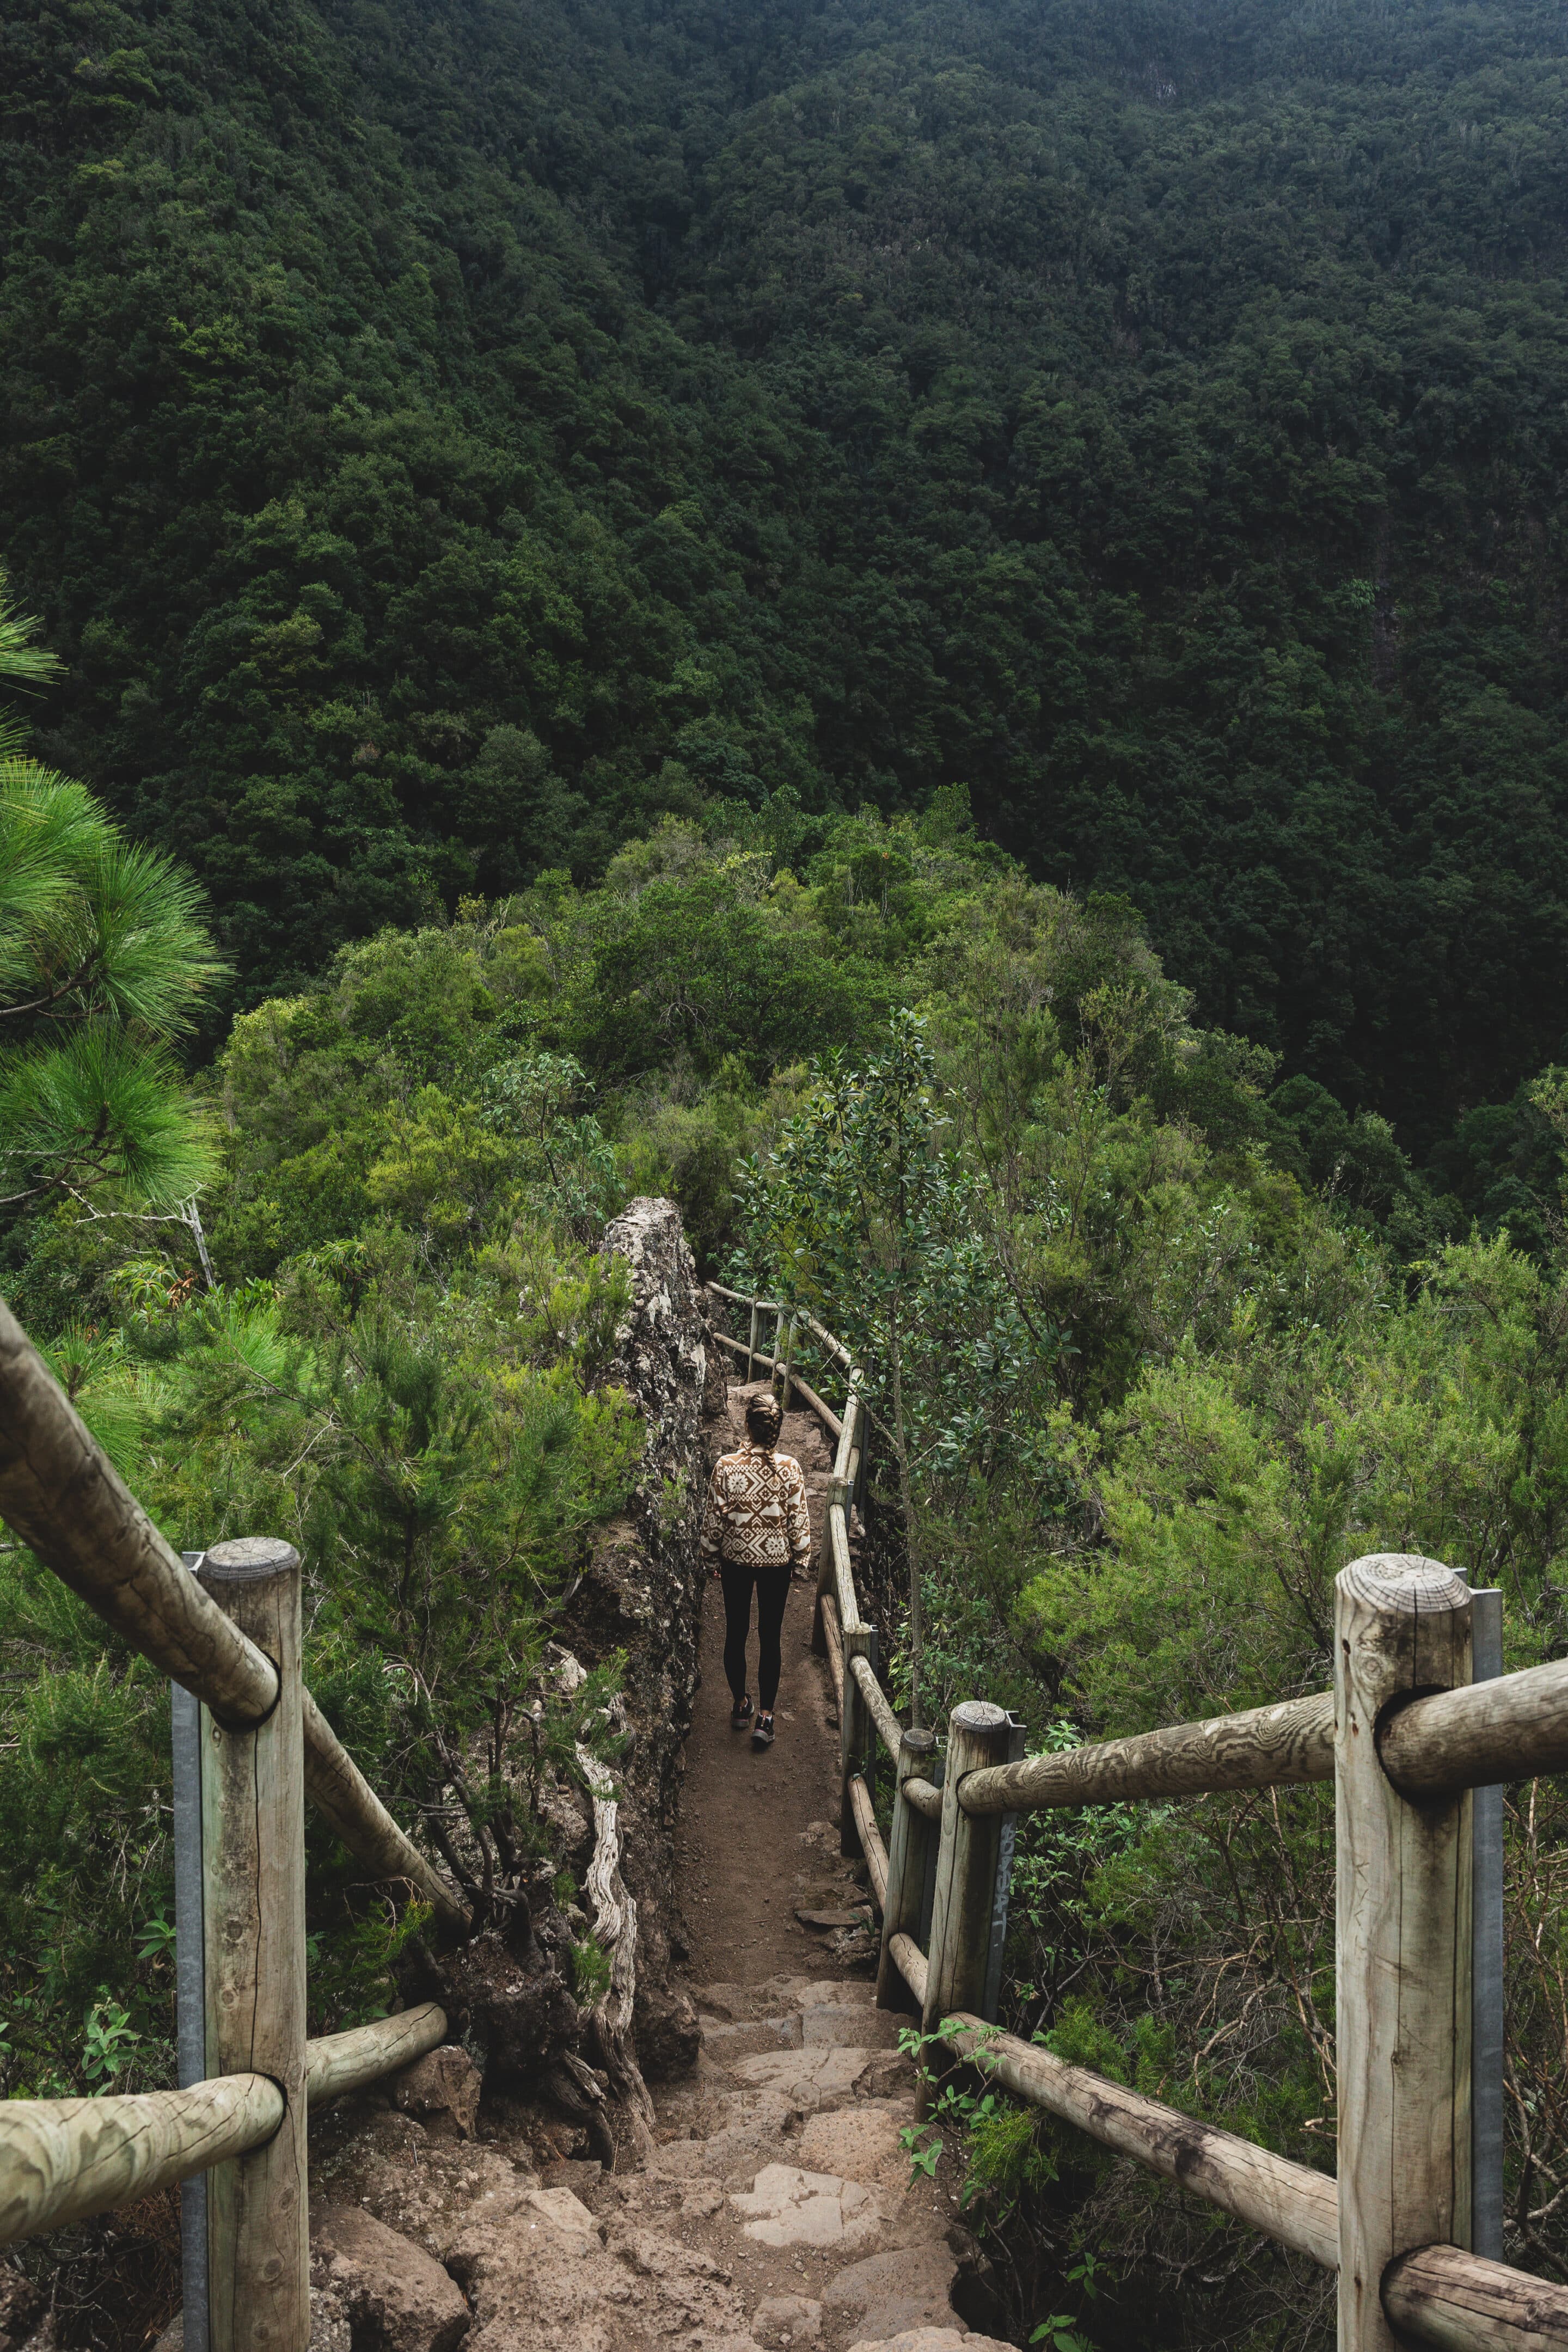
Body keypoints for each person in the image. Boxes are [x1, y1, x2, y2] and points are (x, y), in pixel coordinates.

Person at [699, 1388, 813, 1749]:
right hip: (776, 1564)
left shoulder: (726, 1467)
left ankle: (739, 1704)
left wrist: (710, 1556)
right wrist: (801, 1558)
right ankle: (765, 1715)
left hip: (735, 1559)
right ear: (777, 1430)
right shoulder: (790, 1468)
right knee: (770, 1635)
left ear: (748, 1426)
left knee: (735, 1633)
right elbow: (799, 1519)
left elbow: (714, 1519)